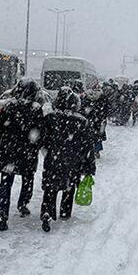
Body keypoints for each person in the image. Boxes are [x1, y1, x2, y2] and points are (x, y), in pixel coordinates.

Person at [0, 78, 44, 231]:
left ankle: (1, 213)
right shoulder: (35, 109)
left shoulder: (9, 106)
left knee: (5, 182)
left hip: (8, 151)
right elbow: (40, 132)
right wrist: (36, 145)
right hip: (27, 152)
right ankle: (23, 203)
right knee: (28, 179)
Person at [40, 87, 96, 232]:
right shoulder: (81, 121)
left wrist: (46, 149)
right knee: (68, 187)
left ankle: (47, 212)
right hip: (73, 161)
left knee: (50, 188)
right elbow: (88, 146)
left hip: (53, 159)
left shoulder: (51, 118)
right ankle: (64, 212)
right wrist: (90, 167)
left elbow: (43, 138)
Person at [82, 82, 109, 158]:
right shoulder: (103, 97)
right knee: (98, 136)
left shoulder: (88, 96)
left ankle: (90, 150)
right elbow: (106, 108)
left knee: (89, 135)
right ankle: (96, 151)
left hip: (91, 119)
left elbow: (84, 107)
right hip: (99, 119)